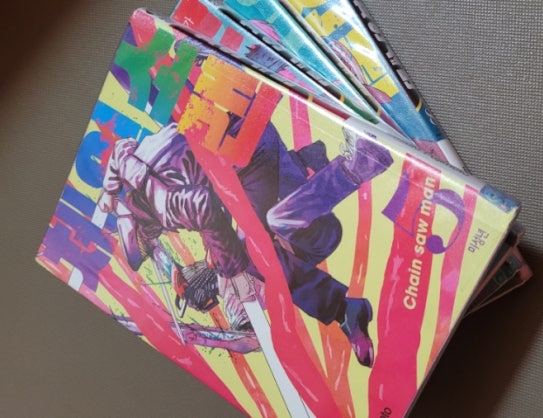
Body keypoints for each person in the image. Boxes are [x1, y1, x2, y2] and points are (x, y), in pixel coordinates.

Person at [97, 121, 392, 367]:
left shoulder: (167, 209)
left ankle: (358, 167)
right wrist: (109, 191)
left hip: (245, 156)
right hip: (258, 153)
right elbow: (121, 150)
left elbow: (203, 206)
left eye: (148, 239)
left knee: (262, 237)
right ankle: (344, 308)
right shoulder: (131, 171)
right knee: (269, 232)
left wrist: (232, 272)